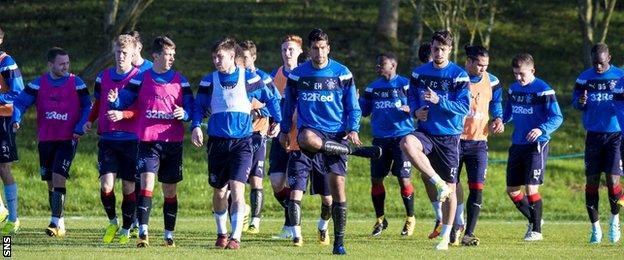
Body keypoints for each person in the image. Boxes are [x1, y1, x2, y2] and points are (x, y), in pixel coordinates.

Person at [280, 28, 381, 255]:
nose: (319, 52)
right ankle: (352, 151)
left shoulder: (342, 73)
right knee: (305, 137)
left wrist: (353, 129)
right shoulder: (298, 75)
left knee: (338, 191)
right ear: (309, 50)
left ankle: (339, 242)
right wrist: (285, 130)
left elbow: (353, 107)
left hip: (336, 135)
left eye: (323, 47)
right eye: (315, 48)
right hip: (311, 132)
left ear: (329, 48)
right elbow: (288, 105)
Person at [191, 37, 281, 250]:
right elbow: (198, 106)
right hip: (217, 143)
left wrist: (277, 122)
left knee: (237, 188)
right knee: (220, 191)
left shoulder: (249, 79)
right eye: (214, 57)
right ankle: (222, 233)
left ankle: (236, 237)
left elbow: (272, 99)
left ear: (232, 57)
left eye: (220, 56)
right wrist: (195, 125)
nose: (216, 60)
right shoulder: (209, 81)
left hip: (242, 142)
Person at [108, 36, 194, 248]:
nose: (172, 58)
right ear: (155, 56)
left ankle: (168, 234)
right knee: (146, 184)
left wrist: (185, 113)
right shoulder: (141, 78)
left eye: (173, 55)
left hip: (172, 142)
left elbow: (192, 110)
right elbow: (124, 101)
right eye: (167, 54)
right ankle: (143, 233)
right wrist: (114, 101)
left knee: (170, 191)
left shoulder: (181, 80)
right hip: (148, 140)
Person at [13, 47, 91, 237]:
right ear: (50, 65)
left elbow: (88, 106)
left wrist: (80, 127)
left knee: (58, 176)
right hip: (46, 139)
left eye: (68, 63)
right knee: (50, 182)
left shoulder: (76, 83)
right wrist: (16, 118)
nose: (66, 66)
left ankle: (54, 222)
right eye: (62, 63)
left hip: (68, 139)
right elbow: (21, 102)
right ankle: (60, 222)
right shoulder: (39, 84)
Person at [400, 30, 466, 251]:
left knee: (451, 187)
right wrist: (415, 111)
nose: (438, 53)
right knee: (406, 142)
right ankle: (436, 182)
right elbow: (410, 98)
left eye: (443, 49)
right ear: (431, 48)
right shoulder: (419, 73)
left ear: (450, 50)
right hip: (426, 133)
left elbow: (464, 107)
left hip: (448, 137)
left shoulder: (458, 75)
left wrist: (440, 100)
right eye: (435, 49)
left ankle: (446, 236)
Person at [84, 34, 141, 244]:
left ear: (133, 53)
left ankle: (127, 229)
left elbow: (140, 109)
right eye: (118, 52)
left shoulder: (139, 78)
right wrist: (90, 120)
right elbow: (98, 102)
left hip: (130, 139)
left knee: (128, 187)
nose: (121, 56)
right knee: (106, 186)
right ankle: (113, 222)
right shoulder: (103, 77)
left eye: (125, 53)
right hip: (108, 138)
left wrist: (123, 114)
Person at [503, 53, 563, 242]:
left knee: (531, 188)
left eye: (522, 74)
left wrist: (541, 129)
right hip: (517, 144)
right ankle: (535, 218)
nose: (518, 78)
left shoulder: (543, 90)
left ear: (532, 71)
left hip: (537, 145)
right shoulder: (513, 89)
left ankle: (536, 231)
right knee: (512, 190)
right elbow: (509, 111)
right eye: (515, 74)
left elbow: (557, 117)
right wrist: (500, 121)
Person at [451, 45, 504, 246]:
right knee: (451, 186)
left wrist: (498, 118)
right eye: (480, 65)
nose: (483, 69)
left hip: (479, 142)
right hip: (454, 140)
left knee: (477, 187)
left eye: (486, 65)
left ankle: (468, 234)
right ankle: (456, 222)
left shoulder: (493, 81)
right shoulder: (456, 78)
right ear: (469, 62)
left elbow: (496, 102)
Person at [359, 52, 416, 237]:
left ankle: (410, 217)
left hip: (402, 138)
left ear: (393, 66)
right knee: (376, 179)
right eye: (377, 63)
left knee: (403, 179)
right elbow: (363, 111)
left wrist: (411, 109)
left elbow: (421, 105)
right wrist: (356, 100)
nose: (378, 66)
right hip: (380, 139)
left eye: (381, 63)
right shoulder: (372, 88)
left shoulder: (407, 85)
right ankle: (380, 219)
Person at [576, 43, 624, 244]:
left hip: (615, 136)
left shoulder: (620, 76)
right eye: (595, 63)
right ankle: (595, 229)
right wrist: (581, 101)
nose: (598, 67)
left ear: (609, 58)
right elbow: (576, 101)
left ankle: (615, 219)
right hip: (593, 136)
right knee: (592, 182)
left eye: (601, 63)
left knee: (613, 181)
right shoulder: (584, 78)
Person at [240, 40, 280, 234]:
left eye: (245, 57)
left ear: (253, 57)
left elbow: (275, 102)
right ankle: (243, 210)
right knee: (234, 180)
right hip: (237, 135)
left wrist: (260, 113)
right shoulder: (235, 77)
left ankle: (255, 221)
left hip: (258, 133)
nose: (242, 60)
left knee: (256, 178)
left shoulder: (263, 78)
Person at [268, 35, 304, 239]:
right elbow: (267, 103)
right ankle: (293, 214)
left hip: (300, 137)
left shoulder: (305, 75)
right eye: (284, 50)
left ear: (300, 52)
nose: (287, 53)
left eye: (291, 49)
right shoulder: (275, 76)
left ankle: (290, 226)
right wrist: (272, 123)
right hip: (280, 135)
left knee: (293, 183)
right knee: (276, 182)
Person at [126, 30, 153, 238]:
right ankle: (130, 220)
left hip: (143, 133)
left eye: (130, 48)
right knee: (128, 180)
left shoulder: (151, 70)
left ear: (138, 48)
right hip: (123, 134)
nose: (126, 53)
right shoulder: (121, 70)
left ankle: (139, 221)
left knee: (141, 178)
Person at [0, 26, 24, 235]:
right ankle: (0, 211)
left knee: (4, 169)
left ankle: (14, 217)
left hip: (3, 120)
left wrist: (17, 117)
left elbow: (19, 93)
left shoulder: (7, 62)